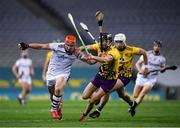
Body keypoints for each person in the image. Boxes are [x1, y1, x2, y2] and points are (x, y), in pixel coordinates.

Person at [18, 35, 94, 120]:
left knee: (58, 88)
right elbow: (41, 46)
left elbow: (91, 62)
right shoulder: (57, 46)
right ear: (65, 43)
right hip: (51, 74)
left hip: (64, 73)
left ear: (74, 45)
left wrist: (93, 57)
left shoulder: (77, 52)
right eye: (67, 45)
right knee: (53, 96)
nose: (69, 48)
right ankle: (57, 108)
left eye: (71, 46)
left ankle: (53, 109)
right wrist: (28, 45)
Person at [88, 33, 148, 118]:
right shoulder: (112, 50)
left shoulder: (131, 49)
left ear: (124, 42)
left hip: (124, 76)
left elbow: (144, 52)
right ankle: (132, 103)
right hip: (115, 75)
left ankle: (98, 111)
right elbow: (102, 53)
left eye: (120, 42)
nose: (118, 44)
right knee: (122, 95)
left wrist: (145, 66)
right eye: (116, 42)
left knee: (106, 90)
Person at [79, 33, 124, 121]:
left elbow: (106, 59)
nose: (100, 43)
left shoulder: (115, 51)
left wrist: (94, 57)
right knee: (84, 96)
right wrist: (78, 49)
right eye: (100, 41)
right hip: (99, 76)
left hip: (110, 80)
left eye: (103, 41)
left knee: (92, 101)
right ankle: (97, 97)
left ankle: (84, 115)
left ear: (109, 42)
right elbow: (86, 47)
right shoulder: (99, 46)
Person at [129, 40, 166, 117]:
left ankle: (133, 106)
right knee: (135, 96)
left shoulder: (162, 59)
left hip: (151, 78)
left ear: (160, 48)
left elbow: (162, 69)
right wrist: (141, 71)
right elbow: (137, 64)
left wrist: (163, 70)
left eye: (159, 46)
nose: (157, 47)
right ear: (153, 46)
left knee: (142, 93)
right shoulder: (146, 54)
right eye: (156, 46)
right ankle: (134, 106)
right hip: (142, 76)